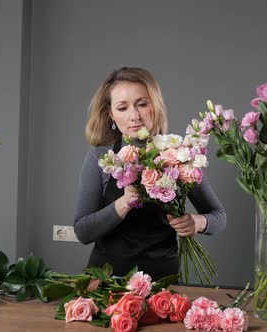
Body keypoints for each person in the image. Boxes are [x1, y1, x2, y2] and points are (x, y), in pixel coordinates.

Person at [73, 67, 227, 280]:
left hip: (164, 282)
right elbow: (83, 232)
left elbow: (219, 216)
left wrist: (197, 222)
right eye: (122, 108)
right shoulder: (100, 158)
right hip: (106, 281)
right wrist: (124, 203)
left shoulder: (179, 155)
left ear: (156, 105)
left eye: (142, 104)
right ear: (111, 114)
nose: (134, 116)